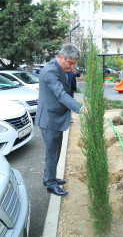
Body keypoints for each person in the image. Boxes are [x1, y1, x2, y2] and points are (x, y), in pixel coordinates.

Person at [35, 44, 87, 196]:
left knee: (55, 151)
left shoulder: (61, 68)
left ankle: (49, 177)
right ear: (61, 57)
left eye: (74, 64)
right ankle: (51, 184)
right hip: (49, 118)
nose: (72, 67)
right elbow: (60, 94)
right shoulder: (50, 71)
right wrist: (80, 108)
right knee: (52, 153)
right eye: (70, 63)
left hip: (56, 116)